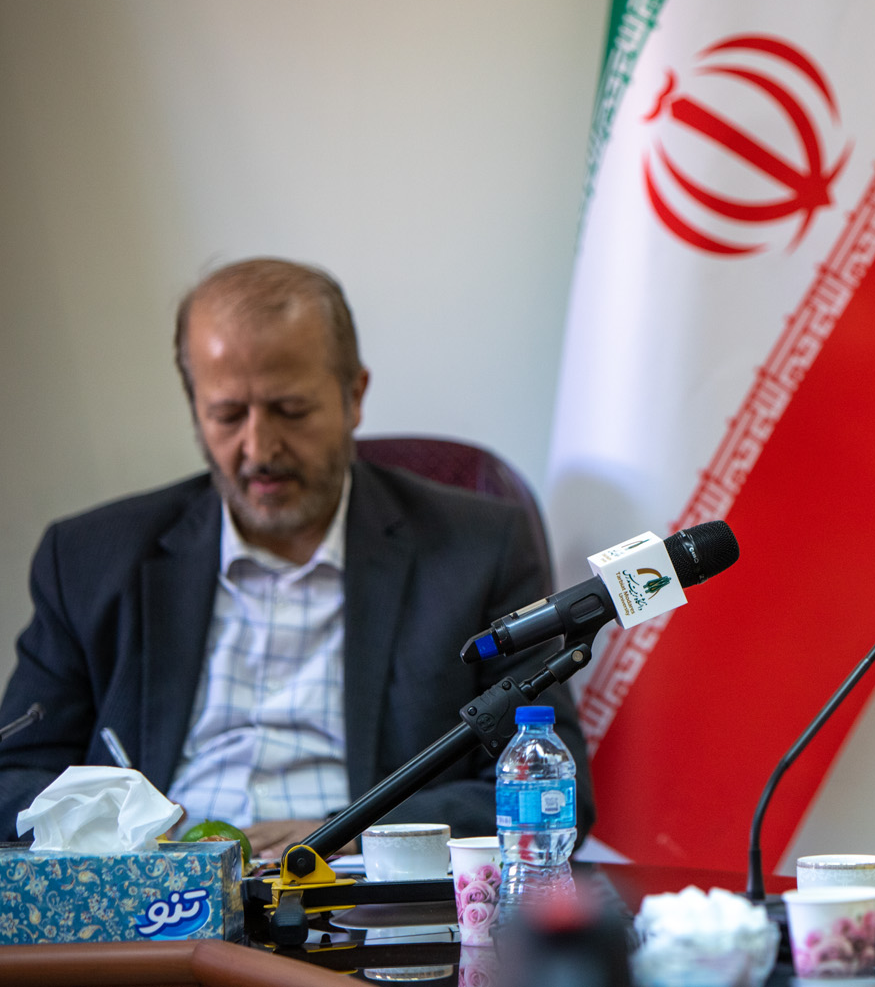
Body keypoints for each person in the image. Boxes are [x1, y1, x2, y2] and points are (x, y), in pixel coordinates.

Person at [0, 258, 595, 857]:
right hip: (156, 891)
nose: (259, 448)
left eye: (291, 410)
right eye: (228, 415)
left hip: (354, 891)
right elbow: (14, 780)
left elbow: (552, 787)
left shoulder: (476, 549)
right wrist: (129, 838)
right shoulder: (88, 560)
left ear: (354, 396)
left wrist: (352, 832)